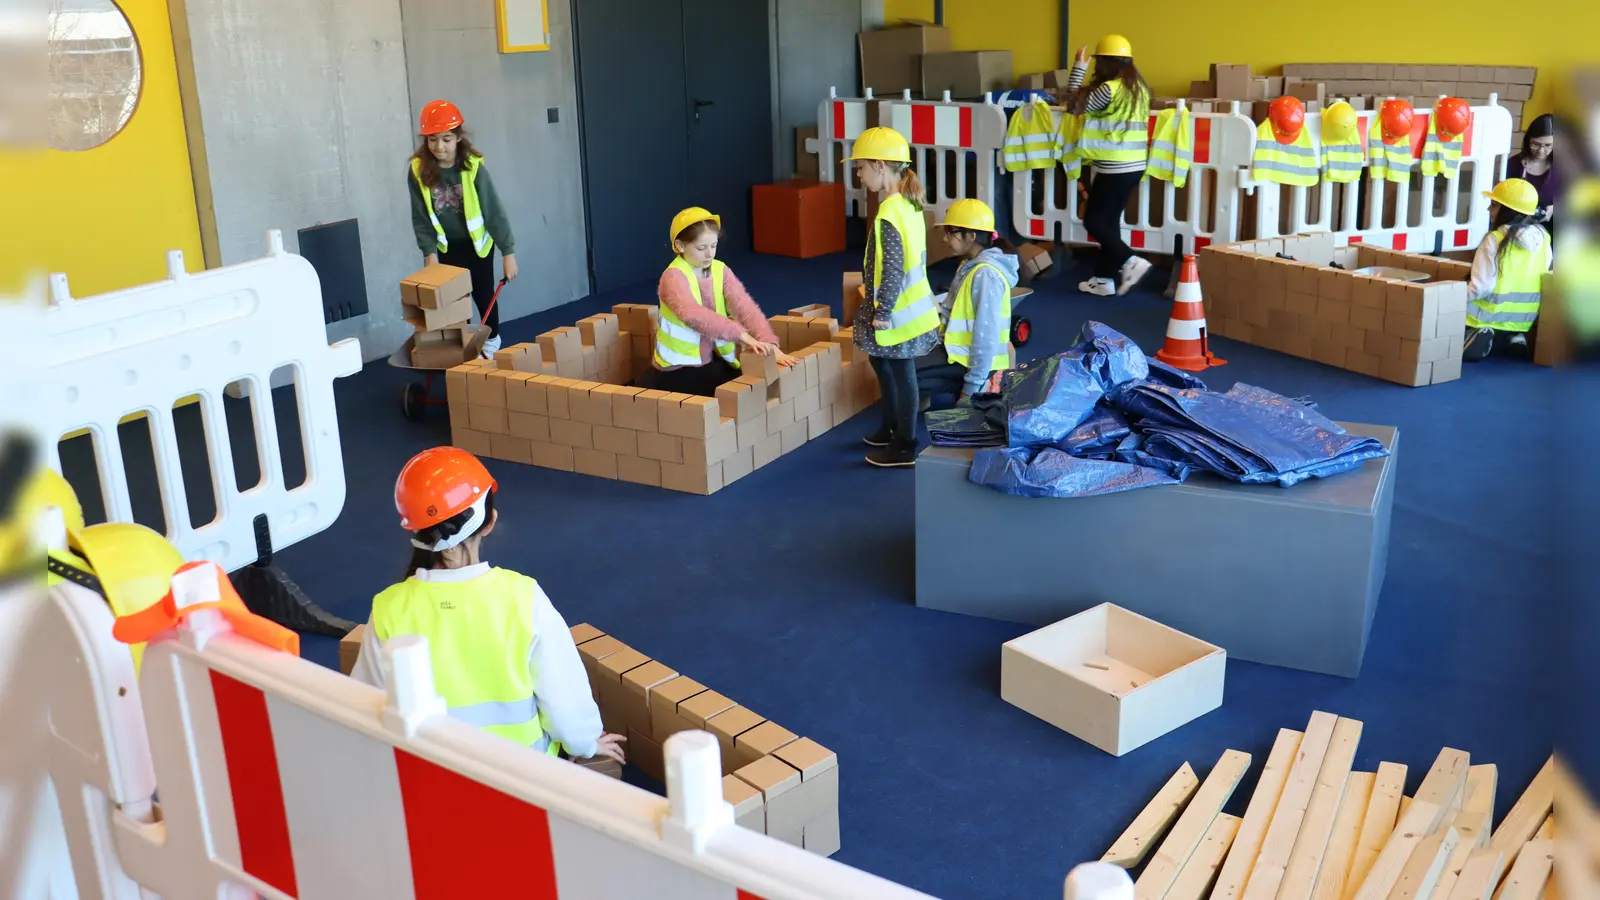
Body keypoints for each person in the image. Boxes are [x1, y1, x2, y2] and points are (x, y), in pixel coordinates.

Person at [350, 447, 625, 765]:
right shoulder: (522, 597)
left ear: (416, 533)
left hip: (434, 779)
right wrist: (586, 742)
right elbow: (565, 705)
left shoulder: (389, 608)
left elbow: (367, 706)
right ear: (490, 521)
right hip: (525, 776)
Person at [847, 127, 942, 468]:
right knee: (882, 362)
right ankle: (891, 425)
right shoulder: (907, 203)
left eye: (860, 167)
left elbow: (894, 268)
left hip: (898, 311)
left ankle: (905, 444)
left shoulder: (890, 212)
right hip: (908, 306)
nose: (858, 174)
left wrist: (882, 310)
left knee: (903, 374)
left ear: (879, 165)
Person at [644, 207, 797, 397]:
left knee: (744, 383)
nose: (710, 254)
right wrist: (742, 335)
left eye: (713, 246)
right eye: (701, 248)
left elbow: (744, 306)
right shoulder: (673, 277)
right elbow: (693, 315)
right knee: (729, 395)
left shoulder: (719, 269)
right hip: (677, 368)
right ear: (681, 246)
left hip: (709, 357)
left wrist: (769, 344)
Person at [407, 100, 518, 358]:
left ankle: (493, 339)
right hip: (447, 246)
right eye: (432, 140)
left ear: (457, 137)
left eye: (446, 139)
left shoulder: (473, 166)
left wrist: (508, 252)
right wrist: (429, 254)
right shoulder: (417, 170)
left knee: (483, 293)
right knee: (454, 302)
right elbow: (420, 217)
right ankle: (462, 348)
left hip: (477, 246)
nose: (439, 146)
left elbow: (494, 212)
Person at [1064, 35, 1153, 297]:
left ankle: (1130, 261)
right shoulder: (1139, 88)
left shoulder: (1110, 89)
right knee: (1109, 222)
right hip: (1133, 165)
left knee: (1093, 221)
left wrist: (1078, 68)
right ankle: (1103, 280)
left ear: (1104, 62)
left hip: (1115, 166)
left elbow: (1073, 106)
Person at [917, 199, 1019, 406]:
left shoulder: (985, 275)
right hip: (958, 352)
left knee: (904, 376)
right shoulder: (969, 265)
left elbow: (986, 337)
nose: (945, 239)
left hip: (976, 363)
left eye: (950, 232)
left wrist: (971, 387)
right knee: (903, 365)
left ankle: (980, 389)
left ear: (971, 236)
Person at [1463, 178, 1552, 362]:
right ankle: (1514, 338)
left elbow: (1481, 287)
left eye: (1494, 205)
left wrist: (1453, 299)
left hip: (1485, 318)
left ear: (1507, 210)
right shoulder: (1543, 238)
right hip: (1523, 321)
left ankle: (1479, 334)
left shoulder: (1495, 239)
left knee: (1440, 333)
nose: (1489, 209)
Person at [1506, 115, 1560, 229]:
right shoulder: (1513, 165)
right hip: (1518, 229)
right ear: (1528, 140)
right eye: (1535, 144)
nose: (1541, 151)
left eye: (1548, 145)